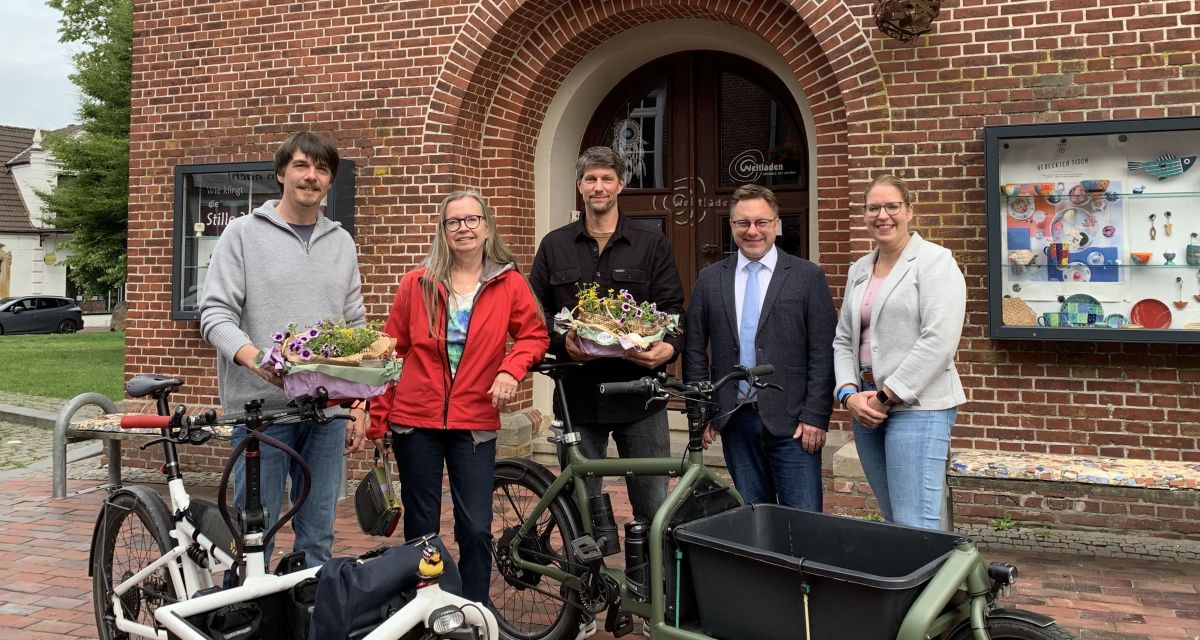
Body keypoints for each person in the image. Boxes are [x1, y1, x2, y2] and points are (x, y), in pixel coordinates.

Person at [368, 191, 548, 603]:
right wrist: (377, 417)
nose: (464, 228)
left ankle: (474, 609)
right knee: (422, 528)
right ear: (443, 230)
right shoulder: (417, 282)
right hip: (415, 422)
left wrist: (509, 369)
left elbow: (534, 335)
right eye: (454, 222)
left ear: (487, 226)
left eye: (472, 219)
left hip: (475, 421)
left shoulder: (509, 282)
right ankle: (425, 607)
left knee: (476, 528)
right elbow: (390, 351)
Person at [200, 131, 368, 568]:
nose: (311, 176)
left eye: (322, 168)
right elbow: (215, 316)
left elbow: (355, 328)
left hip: (326, 413)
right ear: (281, 173)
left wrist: (358, 403)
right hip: (264, 413)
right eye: (301, 166)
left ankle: (307, 619)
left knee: (318, 536)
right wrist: (257, 361)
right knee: (254, 537)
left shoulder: (342, 242)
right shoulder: (242, 235)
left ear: (330, 180)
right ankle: (244, 622)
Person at [528, 146, 685, 525]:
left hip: (641, 395)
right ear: (580, 186)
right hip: (577, 396)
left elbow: (673, 309)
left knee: (653, 509)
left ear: (621, 184)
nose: (599, 187)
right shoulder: (555, 244)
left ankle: (649, 582)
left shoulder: (651, 244)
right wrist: (560, 340)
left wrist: (668, 348)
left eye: (606, 179)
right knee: (579, 507)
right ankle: (582, 582)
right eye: (591, 179)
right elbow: (533, 314)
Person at [683, 184, 836, 511]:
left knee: (804, 521)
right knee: (754, 522)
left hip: (794, 422)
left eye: (761, 222)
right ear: (732, 226)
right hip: (736, 421)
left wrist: (815, 416)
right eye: (743, 223)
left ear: (776, 224)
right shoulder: (710, 279)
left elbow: (823, 351)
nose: (753, 231)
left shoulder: (807, 277)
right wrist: (704, 410)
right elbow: (695, 349)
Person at [832, 174, 967, 530]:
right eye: (873, 207)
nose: (883, 215)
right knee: (894, 518)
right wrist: (848, 394)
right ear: (864, 214)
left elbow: (938, 340)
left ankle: (934, 586)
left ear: (910, 210)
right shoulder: (859, 269)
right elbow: (844, 339)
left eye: (892, 206)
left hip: (916, 407)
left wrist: (885, 397)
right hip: (866, 408)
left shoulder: (935, 262)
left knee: (916, 523)